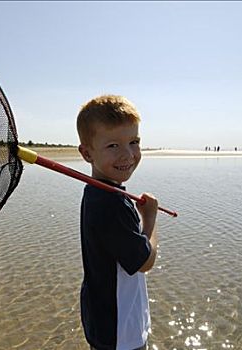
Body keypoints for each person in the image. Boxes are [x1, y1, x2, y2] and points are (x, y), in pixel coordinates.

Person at [76, 95, 159, 350]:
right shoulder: (110, 204)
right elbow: (145, 261)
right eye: (113, 145)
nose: (128, 154)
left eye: (134, 142)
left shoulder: (96, 192)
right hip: (119, 332)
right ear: (87, 153)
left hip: (102, 319)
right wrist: (150, 219)